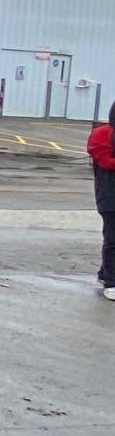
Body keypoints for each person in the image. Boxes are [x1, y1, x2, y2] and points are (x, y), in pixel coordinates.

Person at [92, 104, 115, 301]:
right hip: (110, 196)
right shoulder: (103, 134)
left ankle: (104, 272)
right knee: (113, 239)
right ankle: (111, 281)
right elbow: (105, 161)